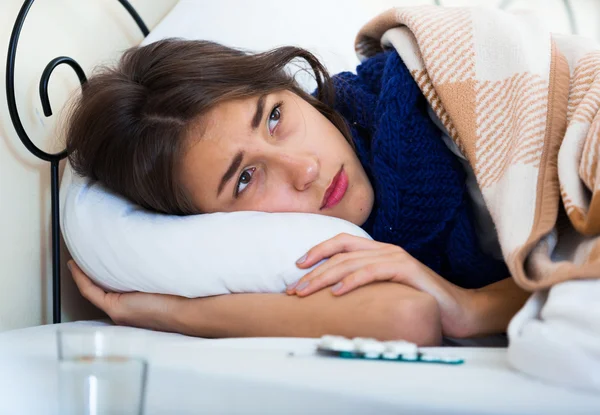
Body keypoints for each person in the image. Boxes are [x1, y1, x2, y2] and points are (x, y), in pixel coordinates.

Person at [65, 39, 529, 345]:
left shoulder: (429, 88)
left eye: (274, 118)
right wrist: (176, 314)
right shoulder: (338, 247)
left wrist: (473, 307)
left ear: (292, 88)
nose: (304, 169)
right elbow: (406, 317)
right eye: (245, 178)